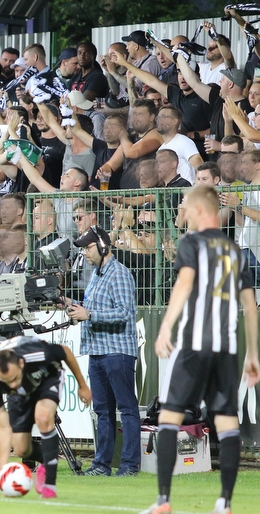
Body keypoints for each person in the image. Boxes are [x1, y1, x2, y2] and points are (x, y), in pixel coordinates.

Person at [143, 185, 259, 514]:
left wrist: (166, 326)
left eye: (185, 207)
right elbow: (250, 307)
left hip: (194, 343)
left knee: (169, 417)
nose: (183, 212)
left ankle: (163, 501)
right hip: (227, 347)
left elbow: (185, 282)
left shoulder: (191, 242)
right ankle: (224, 503)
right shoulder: (236, 250)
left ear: (199, 210)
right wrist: (252, 354)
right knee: (226, 422)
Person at [65, 226, 140, 478]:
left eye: (87, 247)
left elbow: (125, 313)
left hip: (117, 350)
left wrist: (89, 314)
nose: (84, 253)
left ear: (103, 246)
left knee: (127, 409)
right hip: (98, 350)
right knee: (102, 412)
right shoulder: (96, 274)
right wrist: (69, 304)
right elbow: (92, 307)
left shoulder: (118, 273)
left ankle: (129, 465)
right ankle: (101, 465)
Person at [0, 336, 91, 500]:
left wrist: (82, 385)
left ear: (21, 363)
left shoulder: (39, 354)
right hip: (20, 396)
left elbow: (66, 352)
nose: (12, 385)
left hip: (47, 379)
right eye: (7, 382)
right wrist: (2, 469)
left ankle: (50, 485)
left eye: (14, 379)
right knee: (21, 449)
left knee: (43, 417)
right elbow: (3, 426)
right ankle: (47, 459)